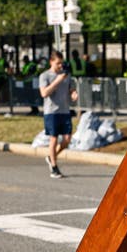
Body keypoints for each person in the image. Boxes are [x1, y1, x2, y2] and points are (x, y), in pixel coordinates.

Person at [38, 51, 77, 179]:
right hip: (51, 112)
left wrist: (73, 94)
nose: (60, 66)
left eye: (61, 63)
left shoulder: (66, 75)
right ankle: (54, 168)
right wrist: (57, 81)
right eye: (58, 63)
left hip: (65, 111)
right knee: (53, 139)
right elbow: (44, 93)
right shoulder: (45, 76)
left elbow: (71, 88)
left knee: (67, 140)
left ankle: (51, 157)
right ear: (51, 62)